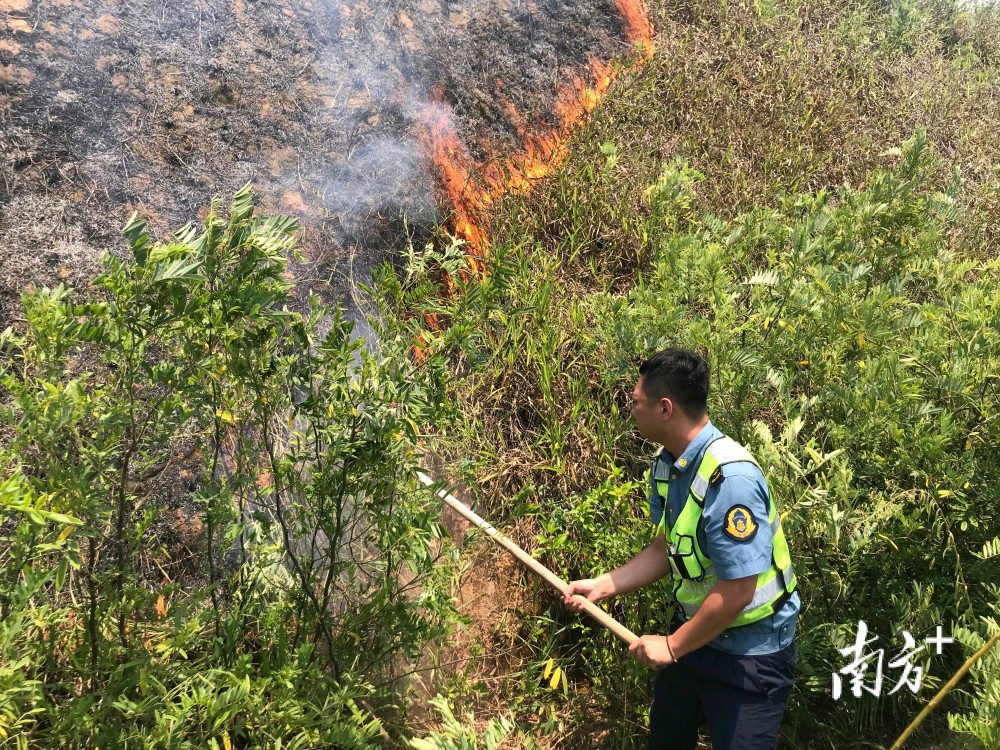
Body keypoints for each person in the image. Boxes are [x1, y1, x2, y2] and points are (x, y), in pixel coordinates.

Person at [564, 348, 799, 750]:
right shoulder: (668, 463)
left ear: (665, 408)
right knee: (668, 739)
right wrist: (604, 585)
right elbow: (665, 546)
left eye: (636, 402)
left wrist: (672, 646)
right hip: (695, 637)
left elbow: (739, 590)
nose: (631, 409)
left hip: (750, 655)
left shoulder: (731, 478)